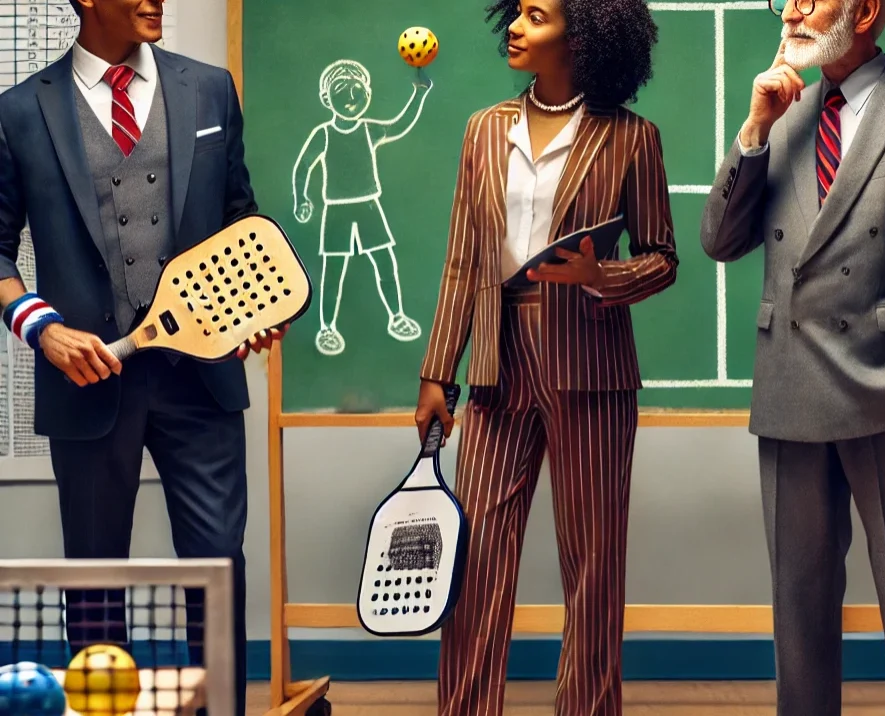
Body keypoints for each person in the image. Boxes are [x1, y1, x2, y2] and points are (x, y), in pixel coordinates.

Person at [700, 0, 885, 714]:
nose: (793, 11)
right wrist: (754, 130)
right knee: (798, 613)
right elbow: (719, 240)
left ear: (863, 10)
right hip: (790, 389)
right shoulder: (783, 113)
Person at [0, 1, 279, 713]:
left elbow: (239, 214)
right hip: (87, 384)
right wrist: (43, 329)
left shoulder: (210, 88)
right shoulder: (19, 111)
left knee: (219, 566)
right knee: (93, 580)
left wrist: (252, 301)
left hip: (201, 381)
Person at [414, 0, 677, 712]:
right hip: (497, 368)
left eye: (535, 15)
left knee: (592, 569)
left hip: (592, 367)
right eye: (518, 13)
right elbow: (463, 261)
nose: (517, 28)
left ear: (584, 35)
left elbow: (662, 259)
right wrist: (438, 371)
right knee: (475, 562)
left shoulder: (632, 138)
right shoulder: (484, 129)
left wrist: (605, 276)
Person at [292, 58, 430, 356]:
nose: (352, 97)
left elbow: (400, 125)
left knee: (385, 262)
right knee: (334, 271)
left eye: (358, 89)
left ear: (367, 92)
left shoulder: (369, 130)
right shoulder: (324, 134)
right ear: (327, 99)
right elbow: (303, 166)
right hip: (337, 210)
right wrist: (301, 198)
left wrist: (419, 94)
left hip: (368, 206)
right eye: (342, 89)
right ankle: (327, 327)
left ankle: (397, 317)